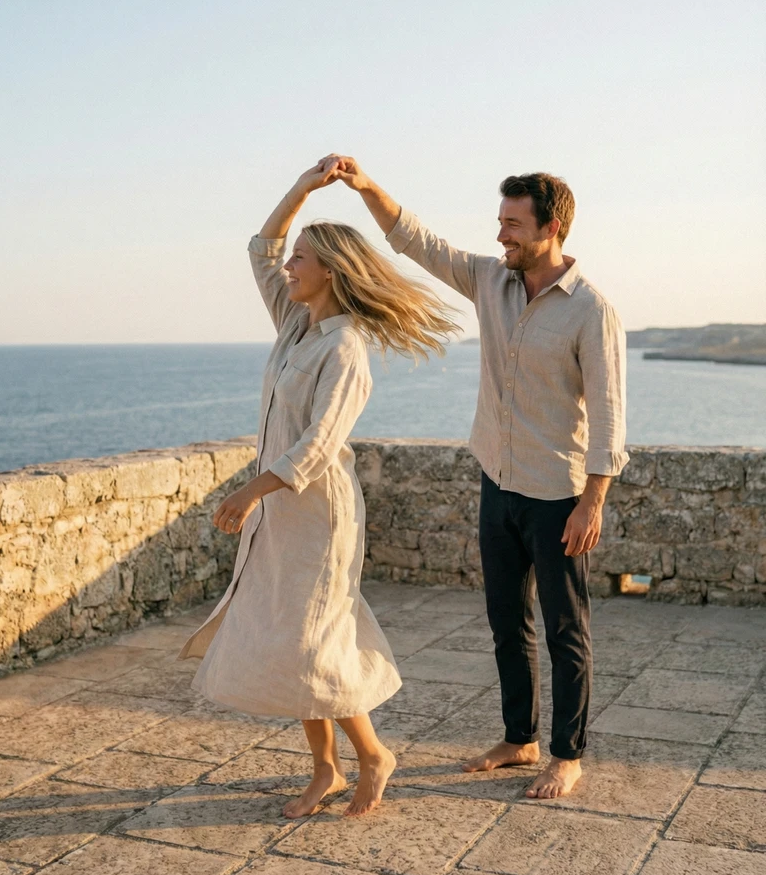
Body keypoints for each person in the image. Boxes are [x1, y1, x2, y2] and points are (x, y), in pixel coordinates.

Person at [321, 153, 628, 799]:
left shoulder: (590, 310)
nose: (500, 235)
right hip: (499, 480)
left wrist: (592, 502)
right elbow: (416, 242)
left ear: (552, 228)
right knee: (505, 621)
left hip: (558, 493)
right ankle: (521, 740)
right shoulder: (492, 281)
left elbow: (608, 415)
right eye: (500, 222)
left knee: (566, 630)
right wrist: (366, 185)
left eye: (513, 224)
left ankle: (568, 755)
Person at [178, 159, 460, 817]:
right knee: (285, 638)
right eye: (294, 257)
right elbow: (261, 247)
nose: (289, 267)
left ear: (330, 271)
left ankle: (372, 755)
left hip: (317, 516)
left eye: (302, 259)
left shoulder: (346, 349)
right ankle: (326, 768)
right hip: (279, 512)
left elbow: (317, 447)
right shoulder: (295, 323)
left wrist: (250, 492)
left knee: (314, 643)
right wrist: (305, 187)